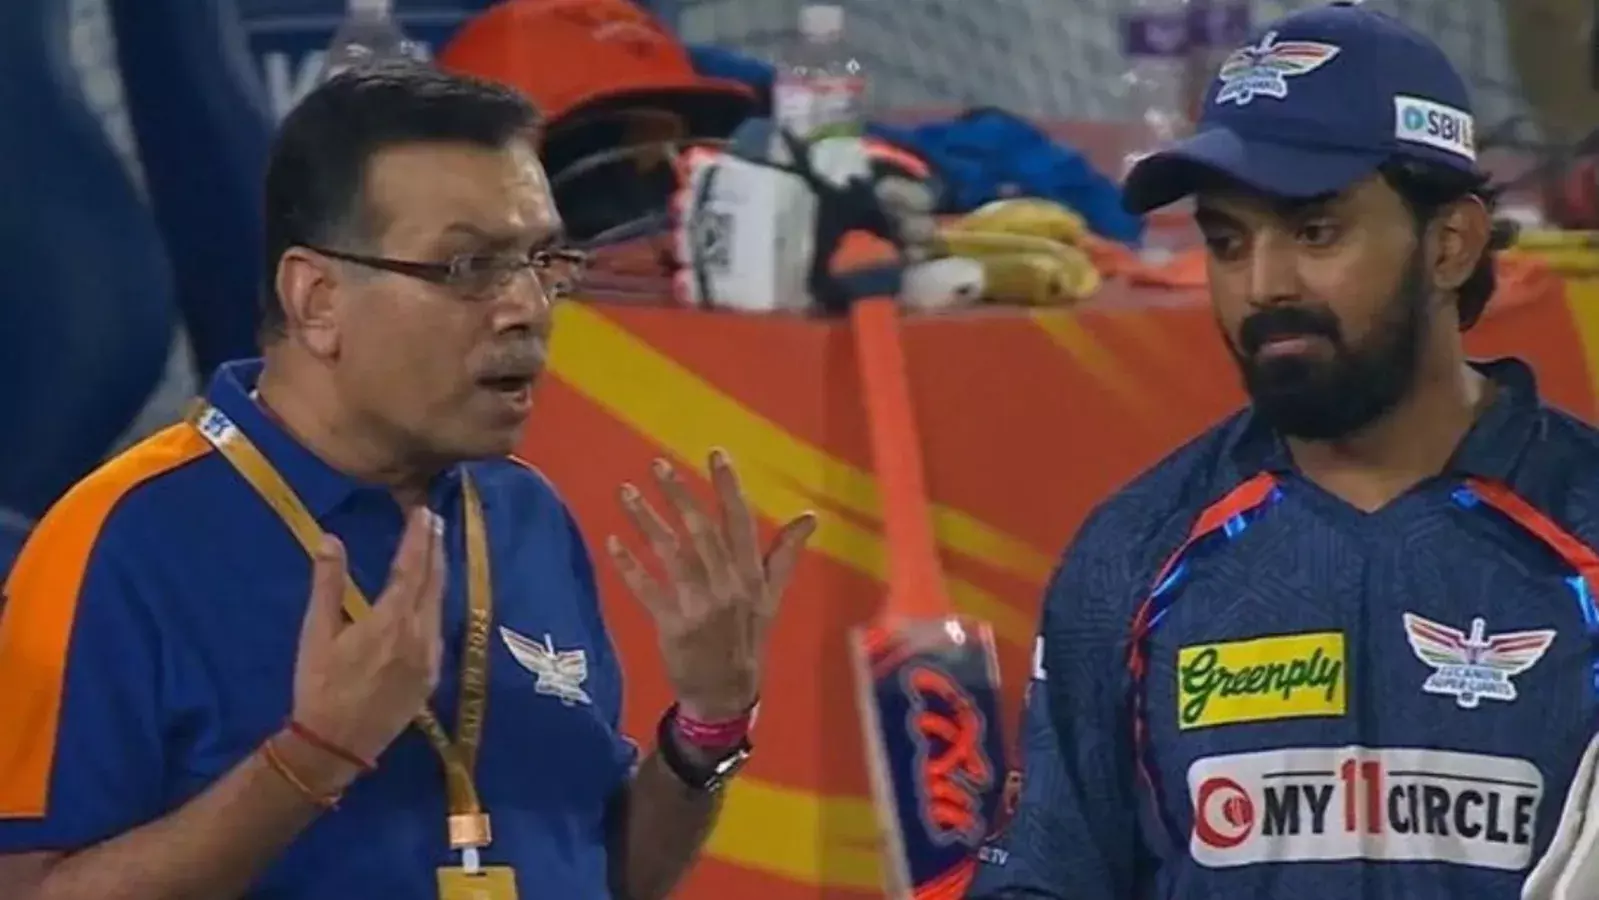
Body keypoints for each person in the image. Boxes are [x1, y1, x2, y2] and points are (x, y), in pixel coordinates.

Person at [0, 62, 816, 900]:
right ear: (317, 299)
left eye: (541, 260)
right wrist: (311, 758)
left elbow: (598, 873)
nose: (528, 307)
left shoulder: (525, 515)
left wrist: (707, 729)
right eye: (467, 267)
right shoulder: (120, 540)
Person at [968, 4, 1599, 899]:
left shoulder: (1582, 529)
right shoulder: (1135, 553)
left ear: (1448, 244)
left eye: (1313, 232)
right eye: (1227, 242)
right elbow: (1045, 877)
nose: (1262, 284)